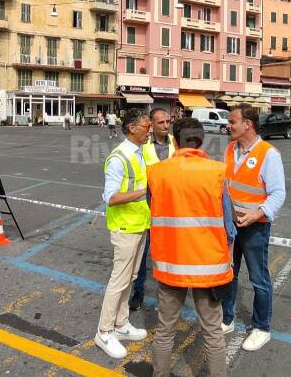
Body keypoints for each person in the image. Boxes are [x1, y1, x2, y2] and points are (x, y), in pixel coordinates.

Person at [147, 117, 234, 377]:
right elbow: (229, 225)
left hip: (171, 263)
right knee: (213, 331)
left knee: (165, 330)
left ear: (175, 140)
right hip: (209, 266)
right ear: (201, 140)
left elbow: (155, 209)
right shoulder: (217, 172)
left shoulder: (157, 172)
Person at [220, 104, 286, 352]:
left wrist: (257, 213)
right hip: (231, 226)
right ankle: (227, 319)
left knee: (259, 279)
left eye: (232, 121)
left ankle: (261, 328)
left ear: (247, 124)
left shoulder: (269, 154)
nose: (228, 125)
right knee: (229, 273)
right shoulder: (229, 149)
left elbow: (278, 194)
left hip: (255, 227)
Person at [95, 109, 151, 359]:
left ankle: (121, 324)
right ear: (131, 127)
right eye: (146, 126)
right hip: (125, 228)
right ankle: (104, 332)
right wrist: (144, 192)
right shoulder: (119, 157)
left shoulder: (139, 153)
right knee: (119, 280)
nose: (149, 130)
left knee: (132, 276)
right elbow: (111, 197)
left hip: (139, 225)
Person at [129, 108, 175, 311]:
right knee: (142, 253)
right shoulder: (143, 145)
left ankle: (170, 297)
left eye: (168, 121)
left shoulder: (176, 141)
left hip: (172, 206)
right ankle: (138, 292)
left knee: (170, 254)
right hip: (148, 204)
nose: (166, 125)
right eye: (161, 122)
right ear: (152, 125)